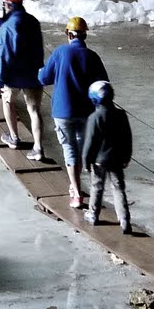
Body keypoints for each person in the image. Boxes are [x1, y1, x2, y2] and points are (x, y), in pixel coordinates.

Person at [38, 15, 109, 208]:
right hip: (87, 112)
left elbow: (44, 78)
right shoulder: (93, 57)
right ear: (85, 35)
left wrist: (40, 72)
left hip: (63, 111)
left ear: (68, 34)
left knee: (70, 149)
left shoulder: (60, 52)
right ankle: (89, 190)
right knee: (84, 148)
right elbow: (103, 85)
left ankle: (76, 194)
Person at [0, 0, 47, 158]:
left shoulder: (7, 27)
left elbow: (4, 55)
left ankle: (14, 138)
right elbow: (23, 36)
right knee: (34, 110)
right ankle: (38, 148)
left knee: (8, 102)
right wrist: (2, 23)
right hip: (33, 74)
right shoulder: (33, 22)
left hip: (12, 75)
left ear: (7, 4)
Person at [80, 80, 133, 233]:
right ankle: (124, 220)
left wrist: (86, 161)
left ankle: (93, 214)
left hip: (99, 160)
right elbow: (127, 137)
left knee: (97, 186)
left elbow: (89, 142)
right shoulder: (121, 115)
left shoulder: (94, 117)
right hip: (117, 159)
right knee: (118, 188)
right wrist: (127, 156)